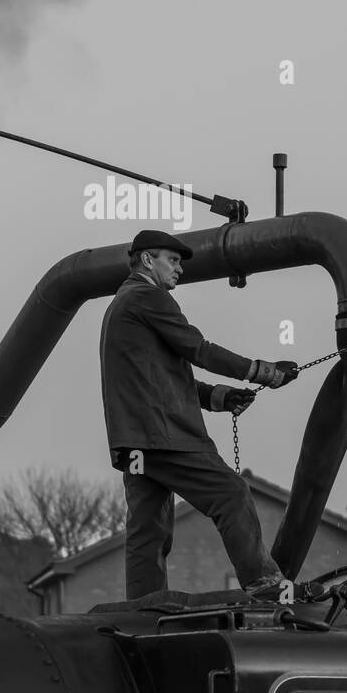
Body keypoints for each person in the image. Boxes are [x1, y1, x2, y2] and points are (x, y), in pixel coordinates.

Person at [99, 229, 298, 601]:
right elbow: (199, 349)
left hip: (135, 443)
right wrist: (263, 372)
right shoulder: (149, 297)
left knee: (149, 530)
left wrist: (219, 397)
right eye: (172, 261)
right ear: (146, 260)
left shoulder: (122, 305)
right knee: (230, 493)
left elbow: (158, 377)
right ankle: (264, 583)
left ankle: (144, 605)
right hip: (165, 436)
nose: (179, 270)